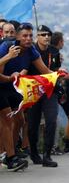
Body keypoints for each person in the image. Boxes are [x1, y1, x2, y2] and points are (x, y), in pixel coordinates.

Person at [0, 22, 53, 171]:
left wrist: (62, 75)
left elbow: (45, 70)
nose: (28, 39)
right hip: (2, 85)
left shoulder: (31, 51)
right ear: (17, 36)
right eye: (25, 36)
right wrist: (8, 57)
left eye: (30, 35)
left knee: (20, 120)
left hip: (12, 87)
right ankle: (10, 157)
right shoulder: (6, 47)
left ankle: (9, 151)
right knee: (6, 118)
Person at [27, 25, 61, 167]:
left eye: (48, 34)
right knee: (32, 124)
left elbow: (56, 70)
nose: (46, 37)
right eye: (42, 34)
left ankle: (47, 155)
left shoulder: (54, 51)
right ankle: (34, 153)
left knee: (51, 120)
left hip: (50, 91)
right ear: (37, 36)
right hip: (33, 90)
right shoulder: (31, 50)